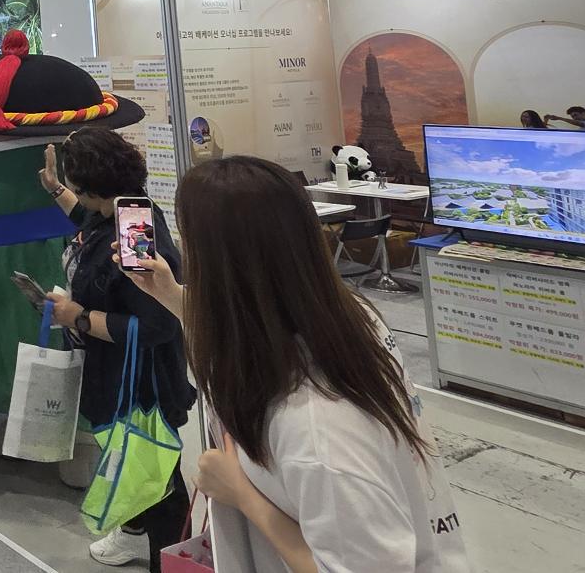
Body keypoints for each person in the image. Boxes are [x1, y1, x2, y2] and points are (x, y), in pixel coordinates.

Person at [123, 157, 470, 573]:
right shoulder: (347, 318)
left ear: (219, 265)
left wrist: (242, 494)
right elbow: (253, 325)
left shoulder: (316, 432)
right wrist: (170, 294)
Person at [39, 132, 193, 571]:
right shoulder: (120, 210)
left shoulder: (135, 232)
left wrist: (78, 317)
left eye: (77, 187)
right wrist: (54, 187)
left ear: (93, 188)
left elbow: (157, 325)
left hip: (142, 384)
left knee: (156, 480)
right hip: (116, 372)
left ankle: (173, 560)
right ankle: (133, 532)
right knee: (133, 465)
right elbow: (88, 218)